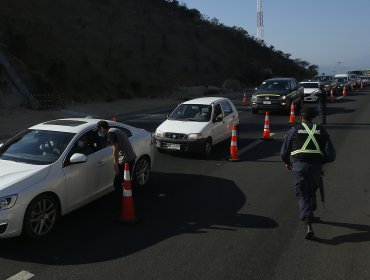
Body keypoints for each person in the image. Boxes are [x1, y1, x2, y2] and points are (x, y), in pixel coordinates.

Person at [280, 106, 336, 239]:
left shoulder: (293, 131)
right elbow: (331, 155)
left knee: (302, 194)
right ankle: (312, 206)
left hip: (299, 166)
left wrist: (287, 163)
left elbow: (284, 152)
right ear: (314, 117)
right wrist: (320, 161)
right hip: (315, 167)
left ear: (301, 117)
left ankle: (308, 223)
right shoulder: (321, 130)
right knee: (311, 188)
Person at [95, 121, 137, 211]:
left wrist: (115, 165)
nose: (100, 133)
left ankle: (121, 205)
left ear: (102, 128)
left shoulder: (110, 133)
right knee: (126, 182)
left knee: (117, 183)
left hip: (125, 161)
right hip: (130, 158)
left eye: (99, 130)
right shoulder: (115, 130)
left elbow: (115, 148)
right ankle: (126, 201)